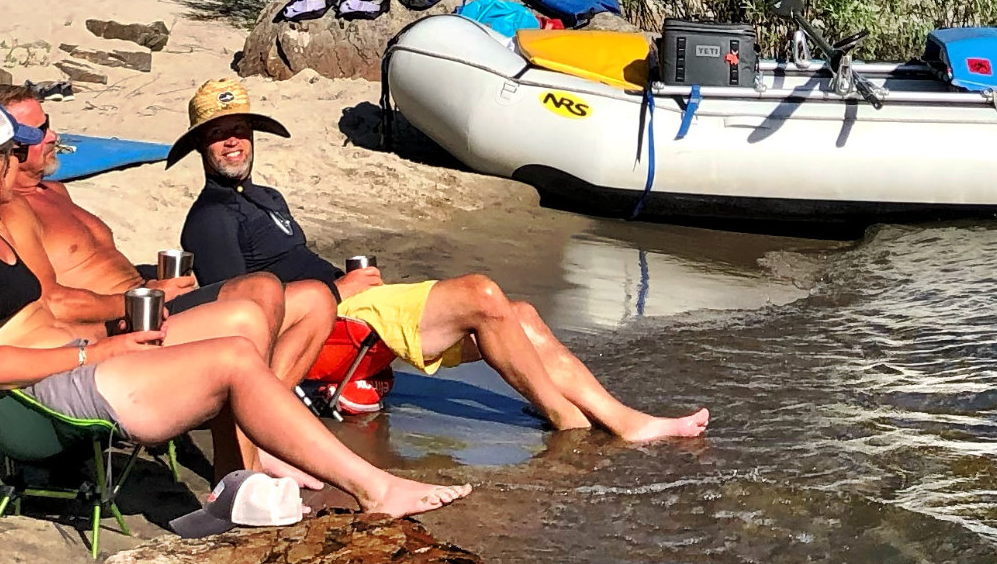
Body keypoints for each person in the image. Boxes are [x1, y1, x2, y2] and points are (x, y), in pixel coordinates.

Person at [0, 97, 470, 517]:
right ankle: (372, 488)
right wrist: (98, 350)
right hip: (48, 396)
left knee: (243, 325)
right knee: (233, 358)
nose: (19, 163)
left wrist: (109, 335)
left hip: (82, 356)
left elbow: (48, 303)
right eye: (11, 153)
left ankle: (238, 478)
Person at [173, 78, 709, 442]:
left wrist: (350, 283)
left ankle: (617, 418)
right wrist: (340, 292)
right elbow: (245, 316)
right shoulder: (210, 219)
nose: (232, 143)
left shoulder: (266, 198)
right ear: (201, 147)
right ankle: (569, 422)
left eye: (238, 131)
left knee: (520, 316)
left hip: (353, 305)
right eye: (218, 135)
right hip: (329, 327)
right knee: (482, 294)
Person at [0, 84, 335, 482]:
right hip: (123, 323)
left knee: (316, 299)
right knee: (260, 291)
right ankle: (242, 460)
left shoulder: (55, 191)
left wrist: (150, 283)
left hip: (146, 300)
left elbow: (96, 265)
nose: (54, 136)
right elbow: (53, 304)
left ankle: (262, 429)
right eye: (41, 130)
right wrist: (140, 297)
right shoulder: (10, 211)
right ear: (9, 146)